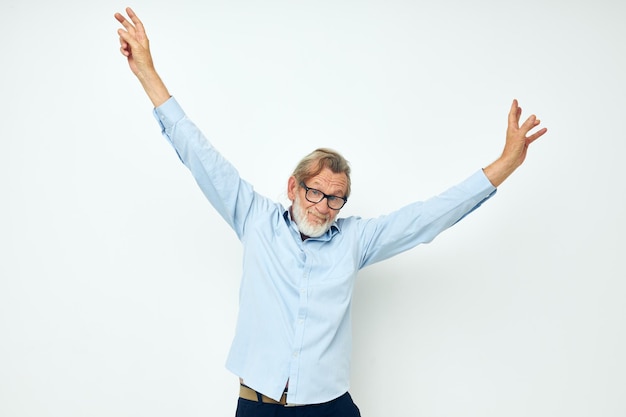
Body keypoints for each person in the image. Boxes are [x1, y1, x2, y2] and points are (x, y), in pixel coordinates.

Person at [115, 7, 547, 416]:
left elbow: (427, 217)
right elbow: (198, 153)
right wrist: (148, 73)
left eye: (336, 198)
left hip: (329, 407)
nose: (323, 207)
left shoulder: (355, 240)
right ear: (293, 186)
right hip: (258, 406)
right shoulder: (253, 217)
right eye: (315, 193)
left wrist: (504, 165)